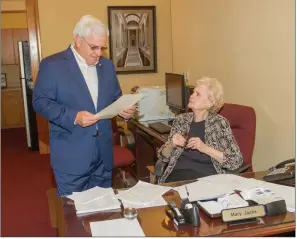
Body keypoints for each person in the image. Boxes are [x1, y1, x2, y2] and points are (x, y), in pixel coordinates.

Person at [33, 15, 135, 196]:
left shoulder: (107, 66)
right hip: (71, 155)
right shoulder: (52, 65)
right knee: (73, 217)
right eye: (93, 47)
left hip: (103, 155)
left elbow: (115, 98)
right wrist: (73, 116)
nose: (98, 53)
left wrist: (123, 111)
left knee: (103, 211)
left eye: (102, 48)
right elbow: (40, 102)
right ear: (78, 40)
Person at [157, 77, 243, 184]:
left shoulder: (219, 123)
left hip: (207, 178)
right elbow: (162, 157)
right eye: (193, 93)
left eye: (197, 94)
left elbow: (235, 161)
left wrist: (205, 148)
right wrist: (171, 145)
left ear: (210, 102)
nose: (191, 96)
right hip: (178, 176)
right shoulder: (181, 120)